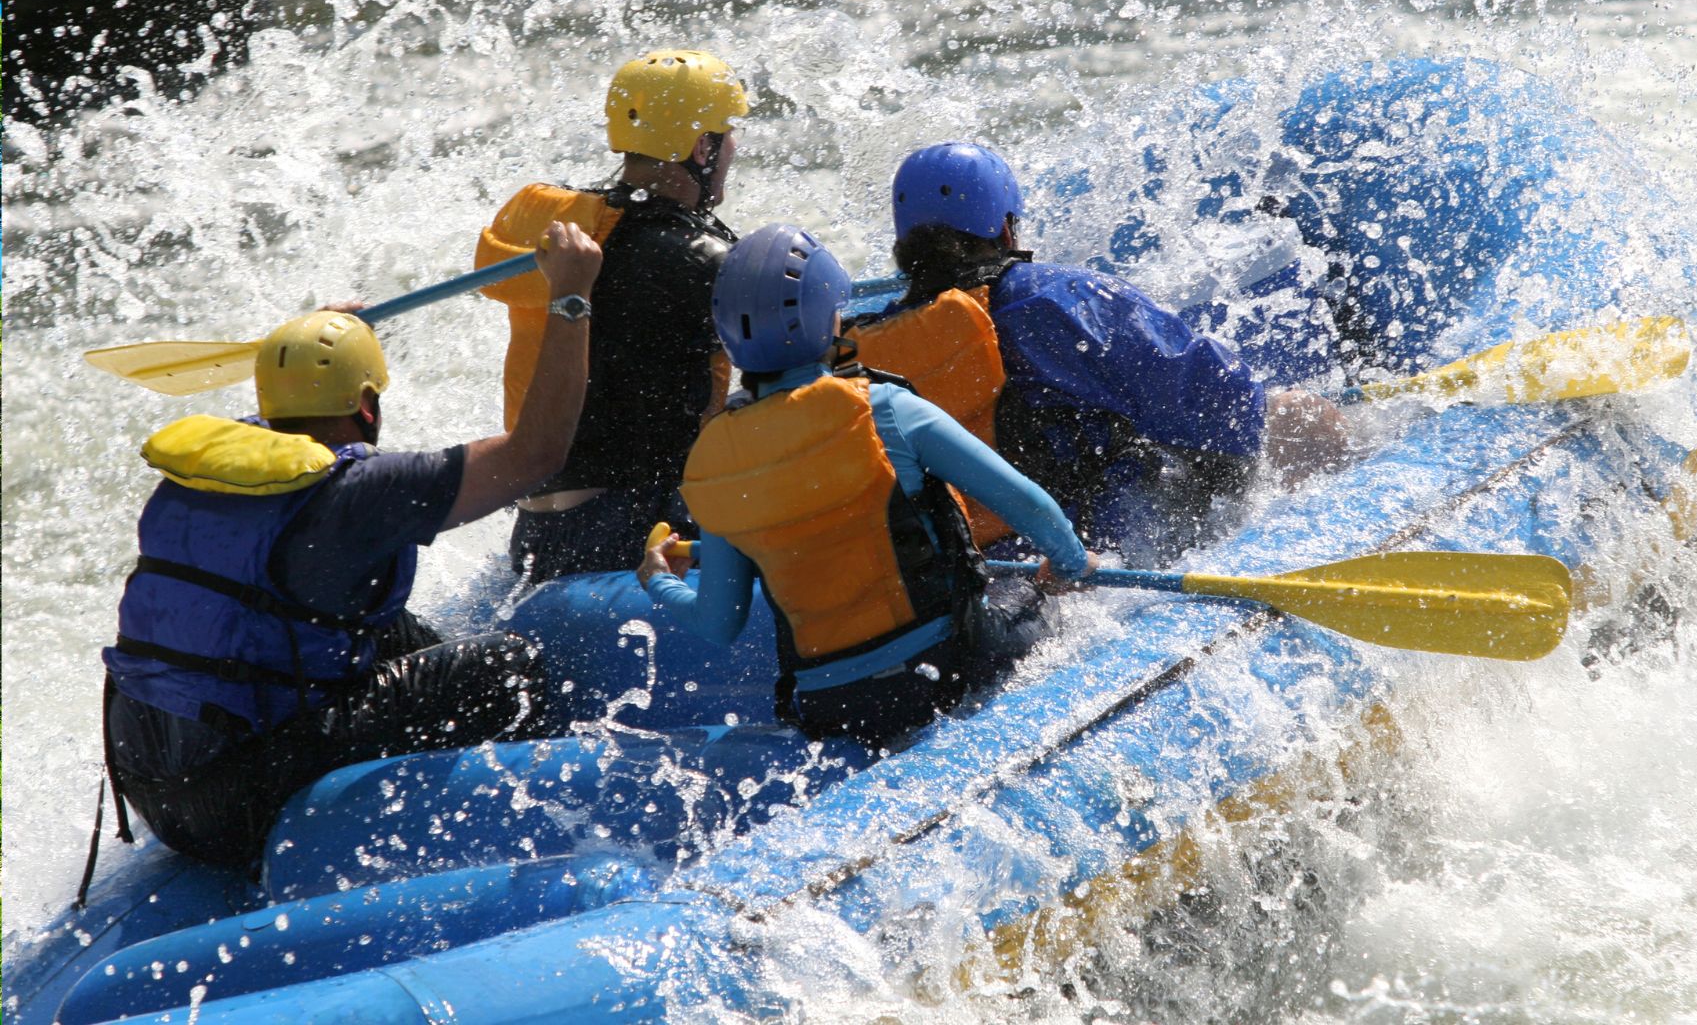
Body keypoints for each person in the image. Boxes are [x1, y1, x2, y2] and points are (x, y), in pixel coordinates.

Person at [98, 222, 601, 869]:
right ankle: (527, 838)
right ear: (366, 407)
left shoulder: (211, 461)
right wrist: (571, 297)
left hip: (150, 784)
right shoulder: (361, 493)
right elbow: (537, 455)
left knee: (395, 632)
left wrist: (316, 340)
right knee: (506, 667)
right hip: (237, 804)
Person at [638, 224, 1096, 751]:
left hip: (829, 707)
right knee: (1038, 594)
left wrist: (657, 580)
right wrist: (1068, 567)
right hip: (943, 669)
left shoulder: (711, 461)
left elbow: (719, 622)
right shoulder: (884, 409)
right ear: (822, 319)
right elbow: (1028, 505)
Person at [851, 142, 1352, 563]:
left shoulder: (868, 345)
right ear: (1005, 230)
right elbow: (1224, 407)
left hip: (972, 569)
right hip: (1090, 550)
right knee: (1301, 416)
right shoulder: (1054, 298)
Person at [472, 49, 748, 584]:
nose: (734, 146)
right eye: (727, 132)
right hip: (633, 528)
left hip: (536, 535)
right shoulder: (698, 260)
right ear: (702, 147)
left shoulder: (575, 230)